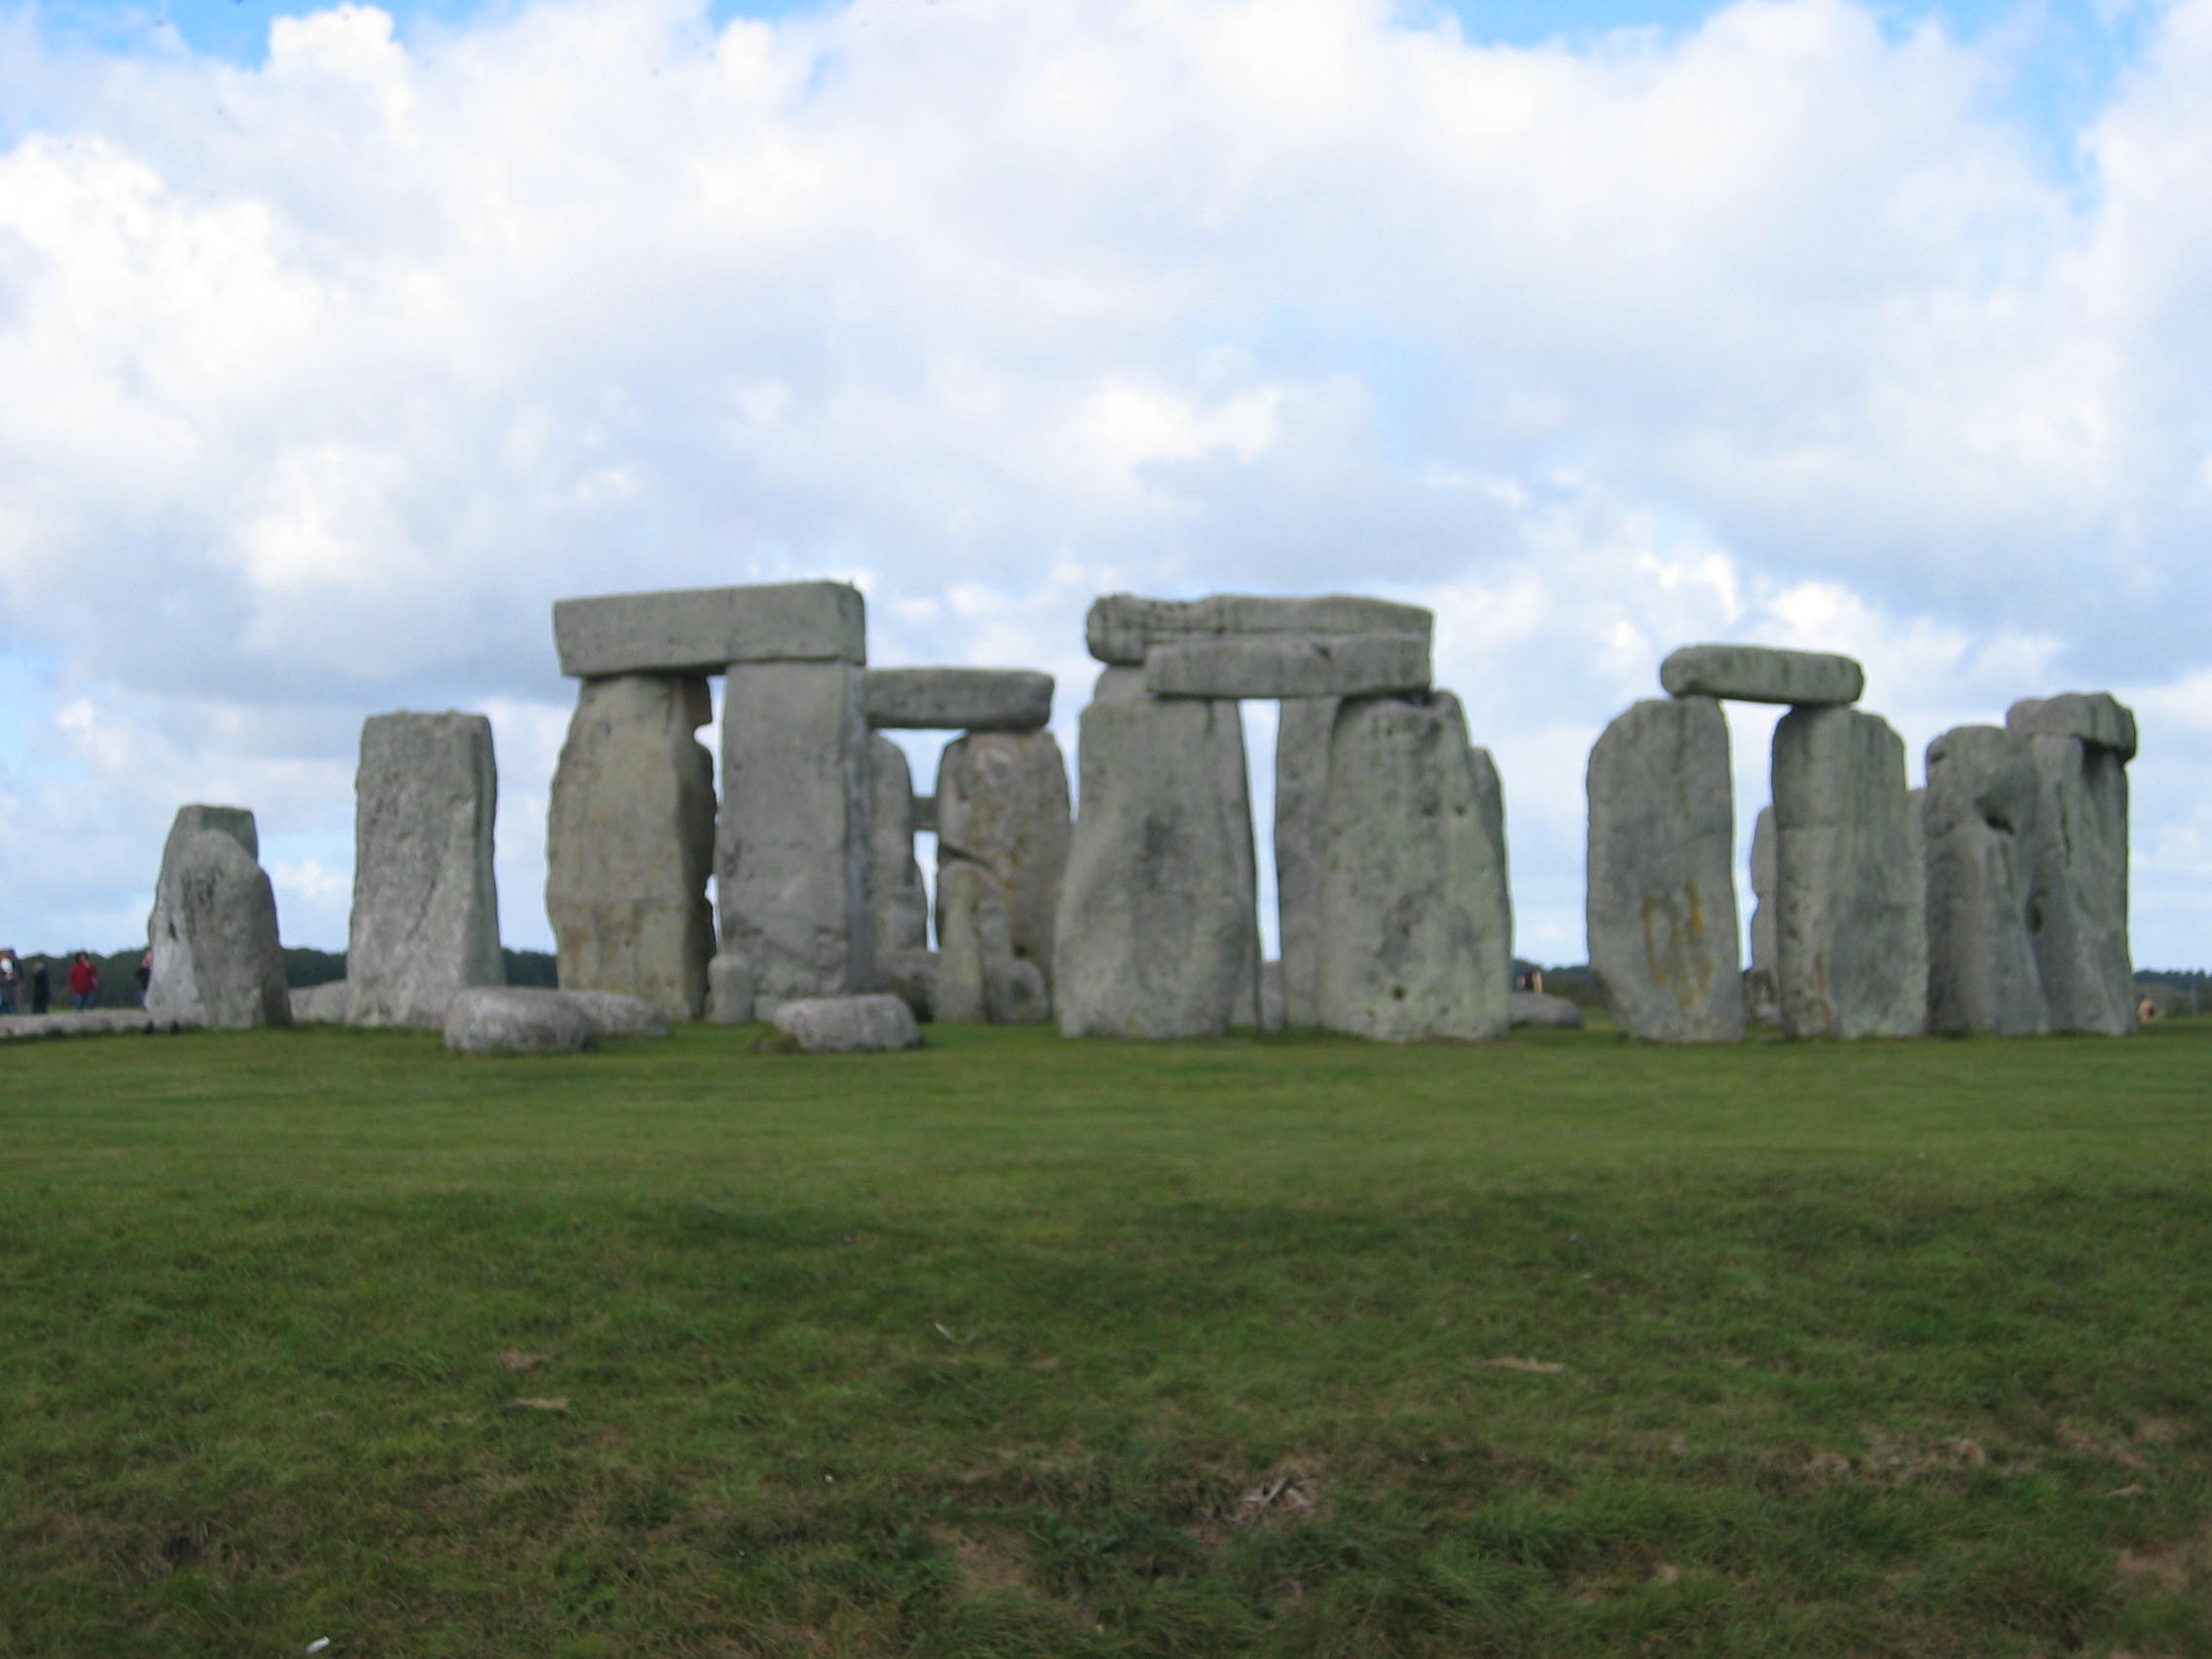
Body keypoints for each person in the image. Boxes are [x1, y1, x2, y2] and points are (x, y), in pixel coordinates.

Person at [0, 948, 17, 1014]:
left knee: (6, 998)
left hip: (5, 984)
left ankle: (8, 1010)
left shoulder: (6, 963)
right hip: (3, 983)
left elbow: (8, 973)